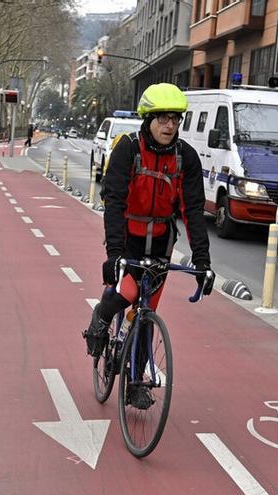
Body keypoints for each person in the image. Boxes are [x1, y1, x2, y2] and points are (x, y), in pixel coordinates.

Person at [82, 83, 215, 409]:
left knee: (146, 312)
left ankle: (136, 382)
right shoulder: (128, 149)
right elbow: (113, 201)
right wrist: (114, 254)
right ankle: (103, 311)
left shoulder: (186, 158)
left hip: (160, 243)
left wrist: (202, 260)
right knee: (126, 294)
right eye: (161, 119)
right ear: (147, 119)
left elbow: (194, 211)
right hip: (128, 237)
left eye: (175, 119)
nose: (169, 126)